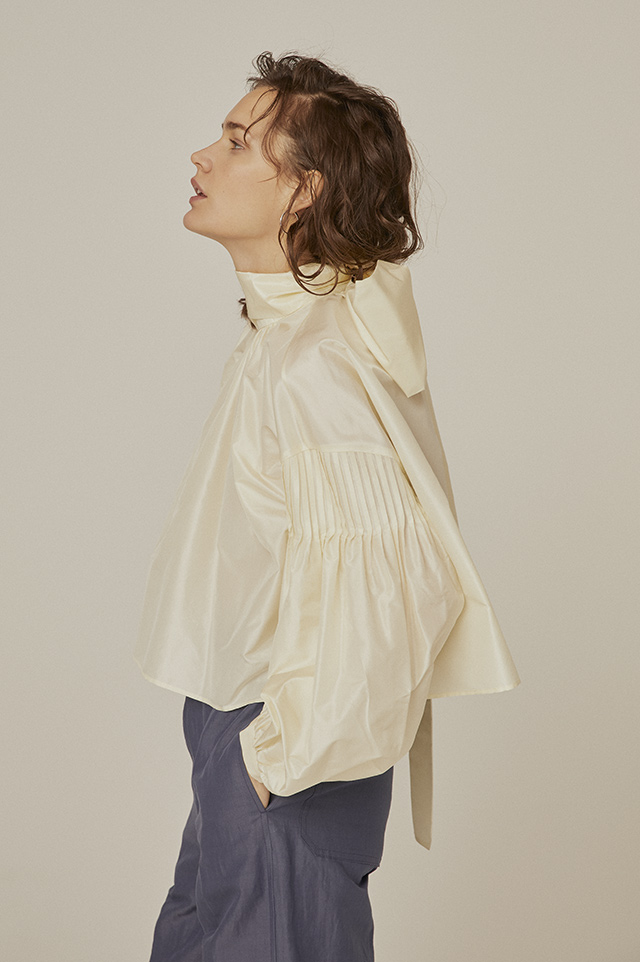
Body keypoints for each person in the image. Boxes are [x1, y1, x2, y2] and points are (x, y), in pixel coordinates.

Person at [134, 51, 520, 962]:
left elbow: (405, 584)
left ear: (303, 189)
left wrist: (275, 763)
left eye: (237, 142)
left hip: (283, 759)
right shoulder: (292, 340)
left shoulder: (316, 362)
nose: (202, 155)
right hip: (251, 739)